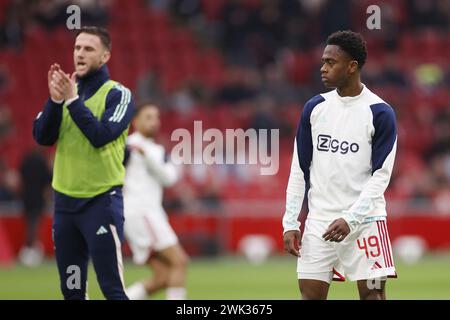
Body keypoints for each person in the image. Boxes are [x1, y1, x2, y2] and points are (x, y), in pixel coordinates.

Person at [282, 30, 397, 300]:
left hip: (364, 221)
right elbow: (299, 168)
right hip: (319, 221)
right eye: (323, 62)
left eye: (330, 62)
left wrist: (350, 218)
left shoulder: (380, 112)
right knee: (310, 297)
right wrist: (290, 222)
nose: (323, 68)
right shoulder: (315, 108)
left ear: (352, 66)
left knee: (372, 297)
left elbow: (381, 177)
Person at [33, 26, 134, 300]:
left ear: (105, 57)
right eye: (77, 47)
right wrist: (55, 101)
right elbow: (42, 136)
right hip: (65, 208)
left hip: (100, 204)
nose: (80, 53)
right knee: (73, 291)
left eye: (88, 49)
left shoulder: (118, 95)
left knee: (112, 289)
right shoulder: (66, 92)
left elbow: (100, 136)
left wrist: (72, 101)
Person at [124, 103, 189, 300]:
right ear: (136, 121)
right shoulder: (126, 146)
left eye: (156, 117)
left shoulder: (154, 150)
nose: (154, 122)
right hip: (141, 212)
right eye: (148, 117)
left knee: (163, 277)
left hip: (150, 213)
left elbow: (170, 178)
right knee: (180, 261)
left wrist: (147, 157)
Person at [18, 146, 52, 267]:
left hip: (26, 197)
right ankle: (32, 248)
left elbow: (20, 178)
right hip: (38, 198)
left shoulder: (26, 161)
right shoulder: (42, 162)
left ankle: (29, 248)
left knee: (29, 223)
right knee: (36, 224)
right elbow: (48, 182)